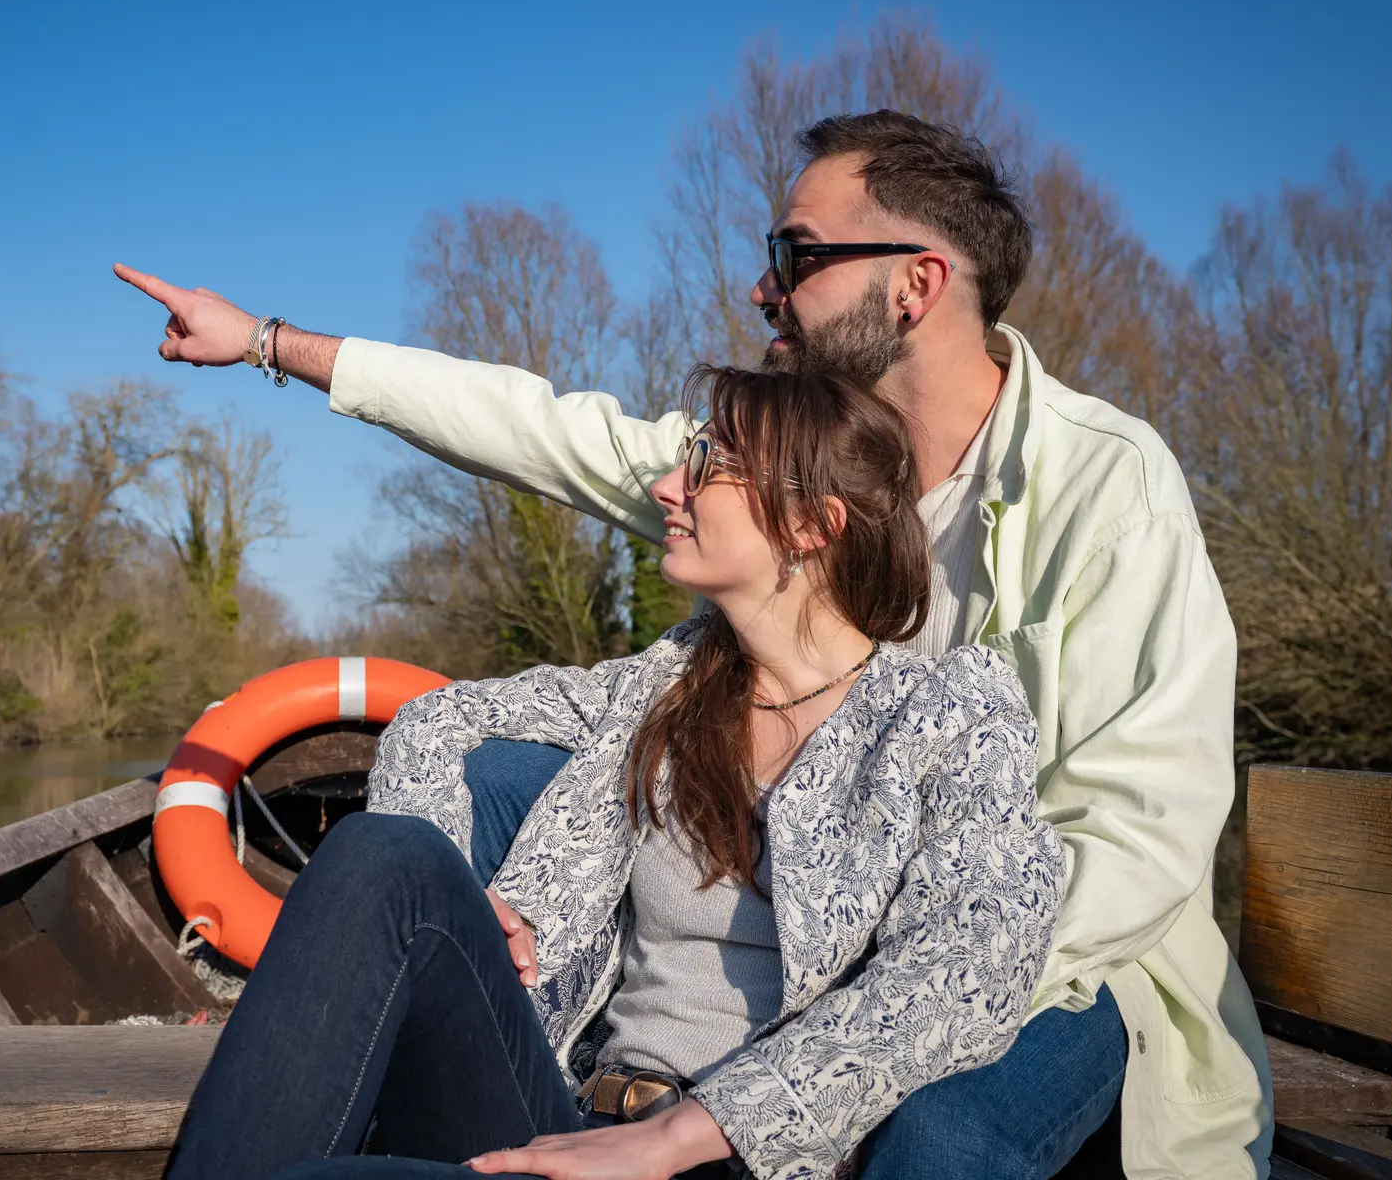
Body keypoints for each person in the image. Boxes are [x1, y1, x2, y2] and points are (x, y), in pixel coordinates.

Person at [115, 109, 1275, 1180]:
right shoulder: (769, 479)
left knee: (946, 1118)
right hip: (775, 976)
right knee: (475, 793)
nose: (763, 287)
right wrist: (269, 340)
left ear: (917, 284)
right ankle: (495, 1025)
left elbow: (1138, 836)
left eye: (797, 254)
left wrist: (874, 971)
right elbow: (545, 432)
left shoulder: (1104, 488)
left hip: (1063, 958)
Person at [164, 365, 1064, 1180]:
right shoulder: (667, 682)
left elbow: (971, 966)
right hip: (561, 1114)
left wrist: (679, 1137)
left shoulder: (947, 711)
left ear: (811, 524)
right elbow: (438, 718)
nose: (668, 487)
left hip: (727, 1158)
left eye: (708, 465)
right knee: (382, 853)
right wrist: (472, 896)